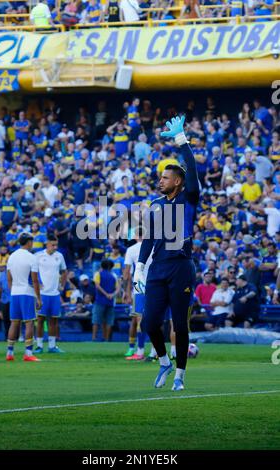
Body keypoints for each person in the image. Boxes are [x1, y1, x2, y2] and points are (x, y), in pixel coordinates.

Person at [134, 115, 200, 391]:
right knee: (149, 323)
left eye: (165, 178)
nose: (160, 181)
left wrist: (182, 141)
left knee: (179, 325)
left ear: (178, 182)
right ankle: (163, 361)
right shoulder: (156, 203)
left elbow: (193, 170)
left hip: (181, 266)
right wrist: (140, 266)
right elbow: (149, 237)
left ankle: (180, 376)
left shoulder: (189, 197)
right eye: (160, 177)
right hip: (157, 267)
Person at [6, 233, 42, 362]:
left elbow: (9, 279)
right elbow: (35, 280)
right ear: (28, 242)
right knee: (29, 322)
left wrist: (13, 291)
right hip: (27, 292)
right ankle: (28, 353)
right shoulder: (32, 258)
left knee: (14, 322)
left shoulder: (11, 257)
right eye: (31, 242)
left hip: (15, 292)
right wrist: (38, 298)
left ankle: (9, 353)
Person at [35, 235, 67, 354]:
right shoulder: (38, 256)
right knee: (40, 320)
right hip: (42, 294)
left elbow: (64, 271)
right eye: (53, 245)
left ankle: (52, 346)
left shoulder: (59, 256)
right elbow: (32, 272)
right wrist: (37, 283)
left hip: (55, 294)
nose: (55, 247)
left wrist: (62, 285)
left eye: (56, 245)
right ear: (46, 244)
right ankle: (39, 346)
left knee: (53, 321)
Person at [123, 226, 151, 360]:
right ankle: (154, 351)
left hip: (139, 287)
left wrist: (126, 291)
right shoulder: (154, 247)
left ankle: (139, 352)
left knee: (140, 319)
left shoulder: (131, 250)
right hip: (155, 286)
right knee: (155, 319)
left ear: (135, 235)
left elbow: (126, 273)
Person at [92, 259, 120, 341]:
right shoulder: (114, 276)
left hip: (99, 301)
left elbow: (97, 286)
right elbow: (118, 289)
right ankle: (106, 339)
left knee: (96, 320)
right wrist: (111, 295)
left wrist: (106, 294)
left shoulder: (98, 274)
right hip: (110, 301)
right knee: (108, 321)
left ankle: (94, 338)